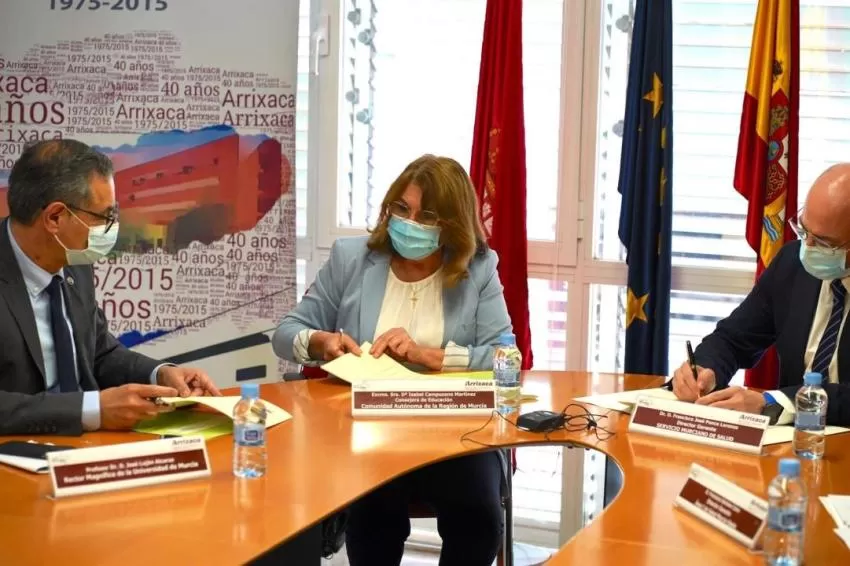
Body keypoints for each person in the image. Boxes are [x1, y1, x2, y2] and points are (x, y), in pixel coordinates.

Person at [273, 154, 511, 566]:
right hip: (371, 432)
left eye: (426, 216)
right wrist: (321, 341)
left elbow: (505, 356)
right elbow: (285, 333)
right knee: (372, 517)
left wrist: (431, 356)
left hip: (454, 437)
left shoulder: (478, 268)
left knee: (479, 519)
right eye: (402, 208)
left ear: (452, 224)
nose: (409, 222)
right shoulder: (352, 258)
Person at [0, 139, 220, 436]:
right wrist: (91, 411)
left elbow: (99, 352)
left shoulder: (73, 258)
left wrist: (160, 374)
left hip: (90, 444)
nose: (110, 227)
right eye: (104, 216)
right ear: (55, 217)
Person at [670, 163, 850, 425]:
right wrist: (705, 370)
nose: (808, 247)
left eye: (823, 242)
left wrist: (776, 403)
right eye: (803, 231)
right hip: (792, 441)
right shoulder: (791, 264)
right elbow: (733, 338)